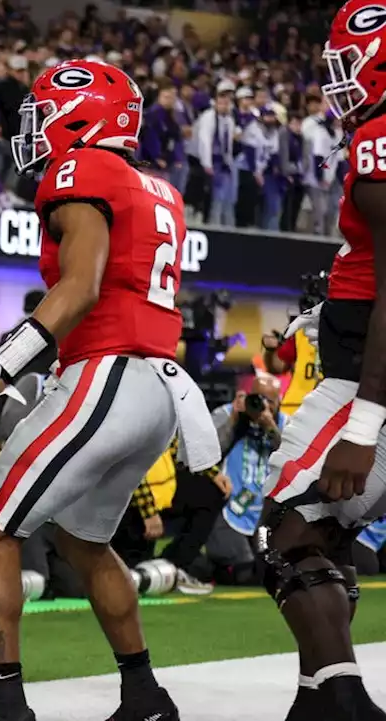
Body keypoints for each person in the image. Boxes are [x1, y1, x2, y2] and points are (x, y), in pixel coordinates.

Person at [0, 59, 220, 721]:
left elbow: (81, 285)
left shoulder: (81, 170)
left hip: (105, 374)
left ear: (80, 116)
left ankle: (6, 707)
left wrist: (1, 363)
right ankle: (145, 695)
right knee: (85, 542)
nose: (33, 128)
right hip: (154, 389)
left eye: (44, 111)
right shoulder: (157, 188)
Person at [257, 1, 386, 717]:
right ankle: (316, 696)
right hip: (361, 351)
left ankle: (341, 699)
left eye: (348, 64)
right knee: (327, 528)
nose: (338, 83)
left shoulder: (379, 135)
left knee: (291, 525)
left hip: (368, 380)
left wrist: (364, 423)